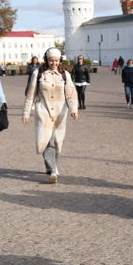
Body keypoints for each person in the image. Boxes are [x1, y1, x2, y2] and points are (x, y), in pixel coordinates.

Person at [22, 48, 79, 184]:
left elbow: (71, 93)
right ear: (47, 60)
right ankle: (53, 169)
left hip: (60, 112)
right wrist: (26, 113)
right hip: (43, 112)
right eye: (51, 61)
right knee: (46, 140)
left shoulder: (65, 75)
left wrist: (74, 109)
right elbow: (31, 94)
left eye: (56, 61)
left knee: (57, 142)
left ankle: (52, 166)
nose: (54, 63)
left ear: (60, 61)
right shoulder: (38, 73)